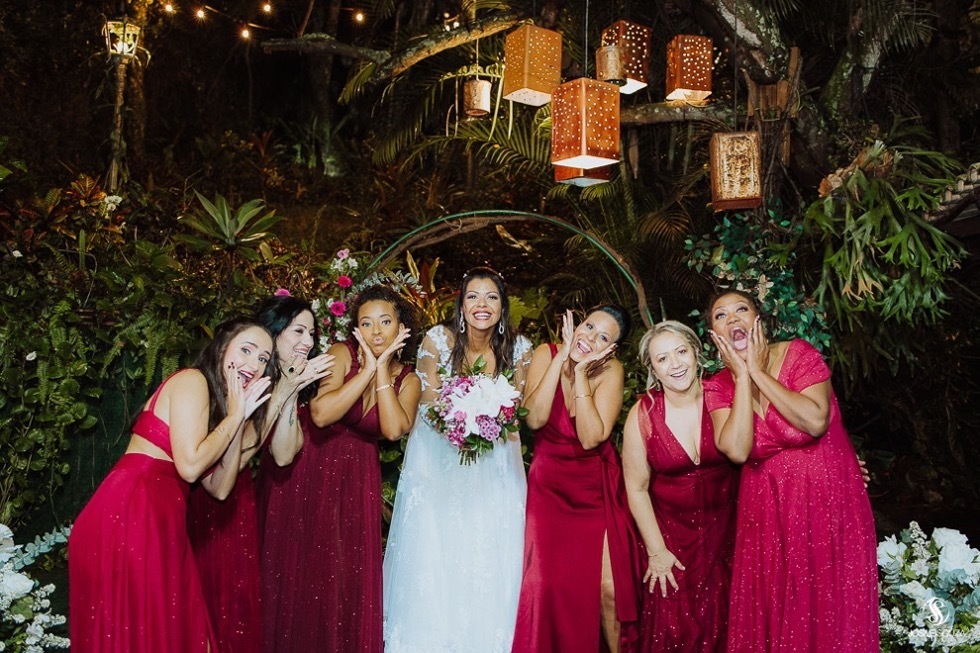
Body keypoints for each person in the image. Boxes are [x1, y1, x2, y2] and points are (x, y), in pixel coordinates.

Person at [68, 317, 274, 653]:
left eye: (264, 358)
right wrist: (235, 416)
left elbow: (220, 488)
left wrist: (238, 419)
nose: (254, 363)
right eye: (247, 349)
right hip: (130, 513)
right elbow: (191, 467)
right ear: (222, 348)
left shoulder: (219, 411)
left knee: (182, 634)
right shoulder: (193, 381)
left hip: (160, 522)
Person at [704, 289, 879, 652]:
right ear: (714, 335)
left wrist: (756, 372)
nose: (732, 318)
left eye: (741, 309)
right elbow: (736, 450)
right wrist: (740, 379)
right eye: (720, 316)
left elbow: (815, 421)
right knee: (778, 606)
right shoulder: (718, 386)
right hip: (768, 513)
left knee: (829, 606)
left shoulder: (799, 354)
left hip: (828, 502)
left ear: (758, 319)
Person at [383, 267, 533, 653]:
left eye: (491, 297)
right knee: (441, 548)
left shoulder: (520, 349)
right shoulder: (438, 340)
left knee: (488, 549)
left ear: (502, 306)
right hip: (440, 460)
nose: (482, 305)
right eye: (473, 296)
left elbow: (516, 408)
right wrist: (462, 422)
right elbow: (428, 400)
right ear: (461, 304)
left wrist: (486, 421)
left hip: (496, 463)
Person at [265, 284, 421, 652]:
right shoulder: (340, 354)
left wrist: (382, 369)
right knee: (297, 568)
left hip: (355, 479)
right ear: (355, 330)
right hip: (306, 465)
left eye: (385, 321)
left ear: (401, 326)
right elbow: (321, 414)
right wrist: (366, 371)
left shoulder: (408, 380)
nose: (376, 331)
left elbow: (394, 429)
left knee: (340, 577)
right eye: (366, 324)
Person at [187, 295, 333, 653]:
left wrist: (291, 390)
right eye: (299, 331)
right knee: (202, 609)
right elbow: (229, 460)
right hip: (207, 503)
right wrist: (283, 389)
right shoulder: (228, 381)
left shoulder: (280, 384)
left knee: (234, 612)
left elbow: (284, 454)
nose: (308, 342)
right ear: (274, 332)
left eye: (312, 334)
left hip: (240, 504)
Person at [512, 305, 641, 653]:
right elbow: (535, 419)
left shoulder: (611, 371)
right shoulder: (545, 353)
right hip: (548, 486)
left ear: (611, 349)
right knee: (545, 585)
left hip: (593, 487)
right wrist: (561, 360)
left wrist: (581, 374)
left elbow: (589, 437)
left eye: (603, 337)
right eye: (588, 327)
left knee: (610, 589)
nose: (590, 338)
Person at [621, 320, 739, 652]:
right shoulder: (641, 416)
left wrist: (835, 466)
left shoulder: (725, 395)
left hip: (730, 534)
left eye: (681, 352)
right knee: (675, 628)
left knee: (731, 621)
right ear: (652, 369)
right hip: (672, 541)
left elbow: (765, 444)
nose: (675, 364)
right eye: (662, 359)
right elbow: (637, 487)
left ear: (696, 353)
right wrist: (657, 552)